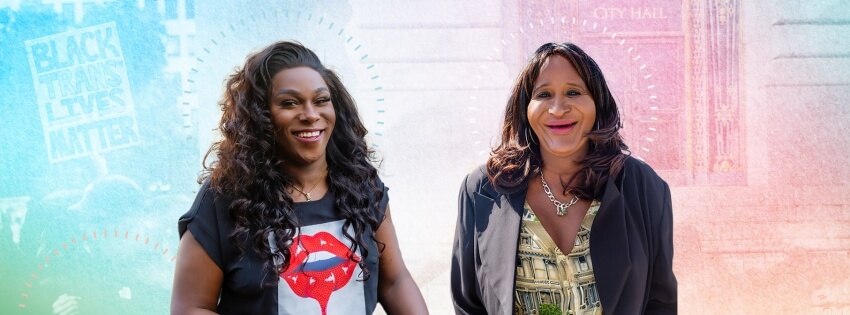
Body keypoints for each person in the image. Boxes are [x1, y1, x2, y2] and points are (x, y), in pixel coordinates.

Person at [171, 41, 428, 315]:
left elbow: (394, 281)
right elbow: (192, 307)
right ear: (260, 116)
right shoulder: (223, 198)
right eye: (289, 103)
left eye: (320, 101)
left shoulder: (361, 184)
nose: (310, 114)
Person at [451, 42, 677, 314]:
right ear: (525, 107)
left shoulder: (644, 188)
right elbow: (467, 303)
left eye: (573, 92)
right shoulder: (482, 190)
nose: (558, 109)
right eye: (544, 94)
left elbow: (660, 302)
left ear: (597, 103)